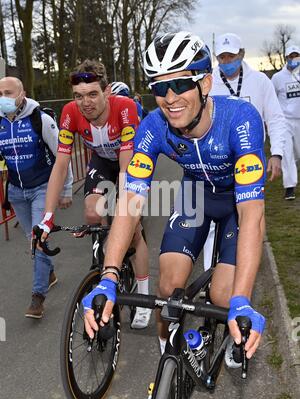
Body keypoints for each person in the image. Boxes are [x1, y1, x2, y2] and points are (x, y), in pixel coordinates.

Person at [82, 31, 266, 367]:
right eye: (158, 87)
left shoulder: (240, 119)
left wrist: (242, 299)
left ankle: (229, 321)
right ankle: (168, 356)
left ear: (205, 84)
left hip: (235, 204)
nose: (169, 97)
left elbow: (252, 213)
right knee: (167, 288)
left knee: (225, 296)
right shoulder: (153, 127)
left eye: (180, 84)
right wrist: (109, 274)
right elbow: (131, 199)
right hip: (195, 195)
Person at [37, 60, 151, 329]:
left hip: (130, 162)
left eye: (92, 94)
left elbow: (125, 167)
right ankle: (102, 259)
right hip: (101, 161)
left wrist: (126, 216)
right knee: (91, 211)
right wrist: (48, 216)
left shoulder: (125, 109)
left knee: (133, 230)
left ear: (107, 91)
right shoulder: (69, 113)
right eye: (78, 96)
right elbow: (61, 166)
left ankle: (144, 295)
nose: (85, 103)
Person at [202, 32, 287, 269]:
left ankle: (244, 272)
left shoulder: (260, 82)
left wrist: (277, 154)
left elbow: (276, 119)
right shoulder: (209, 84)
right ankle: (211, 278)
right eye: (222, 57)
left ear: (242, 54)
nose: (227, 61)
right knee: (209, 224)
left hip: (249, 161)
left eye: (231, 56)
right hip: (216, 161)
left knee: (248, 218)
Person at [0, 76, 73, 318]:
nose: (3, 97)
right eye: (0, 93)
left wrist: (66, 188)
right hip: (16, 192)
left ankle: (38, 296)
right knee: (34, 238)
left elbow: (62, 155)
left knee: (38, 237)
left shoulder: (40, 119)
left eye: (8, 92)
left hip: (43, 188)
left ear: (22, 94)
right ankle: (49, 273)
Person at [271, 45, 300, 200]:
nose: (294, 59)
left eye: (296, 56)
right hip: (285, 121)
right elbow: (271, 97)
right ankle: (290, 187)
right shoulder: (277, 78)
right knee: (287, 153)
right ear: (286, 57)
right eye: (291, 56)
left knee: (296, 153)